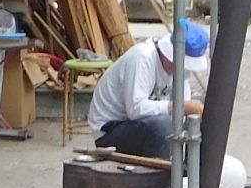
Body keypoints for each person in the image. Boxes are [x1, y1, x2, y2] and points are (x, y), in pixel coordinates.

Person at [89, 21, 208, 159]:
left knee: (205, 108)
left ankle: (192, 171)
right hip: (109, 130)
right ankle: (160, 177)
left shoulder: (180, 72)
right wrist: (179, 107)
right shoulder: (143, 57)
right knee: (164, 126)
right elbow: (135, 109)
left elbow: (184, 105)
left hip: (138, 124)